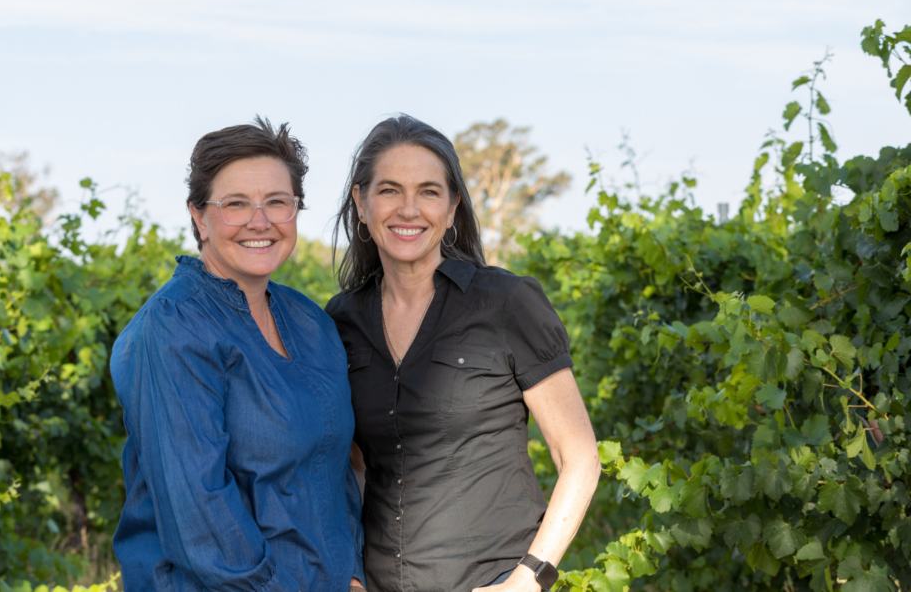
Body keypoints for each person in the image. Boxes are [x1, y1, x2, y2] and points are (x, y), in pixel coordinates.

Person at [326, 115, 600, 592]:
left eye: (429, 192)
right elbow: (353, 467)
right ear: (361, 203)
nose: (409, 209)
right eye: (389, 190)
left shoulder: (506, 303)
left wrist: (529, 578)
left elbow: (578, 457)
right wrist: (351, 571)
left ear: (452, 208)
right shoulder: (342, 321)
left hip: (492, 579)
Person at [110, 118, 365, 592]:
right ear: (199, 217)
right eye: (236, 204)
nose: (260, 220)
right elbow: (199, 514)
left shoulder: (311, 322)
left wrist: (352, 573)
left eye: (277, 202)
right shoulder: (176, 325)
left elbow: (334, 470)